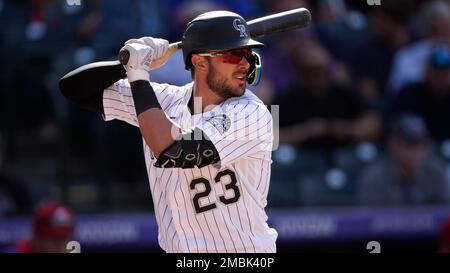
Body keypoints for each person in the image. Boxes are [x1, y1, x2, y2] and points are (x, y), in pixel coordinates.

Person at [59, 11, 277, 253]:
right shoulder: (167, 99)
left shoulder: (251, 113)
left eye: (247, 54)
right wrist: (127, 63)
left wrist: (138, 75)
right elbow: (74, 88)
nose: (245, 64)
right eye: (234, 55)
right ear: (200, 62)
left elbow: (173, 149)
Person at [356, 114, 449, 206]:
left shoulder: (436, 173)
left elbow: (445, 214)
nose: (414, 150)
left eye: (420, 143)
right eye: (408, 143)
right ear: (391, 144)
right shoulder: (374, 177)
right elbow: (368, 216)